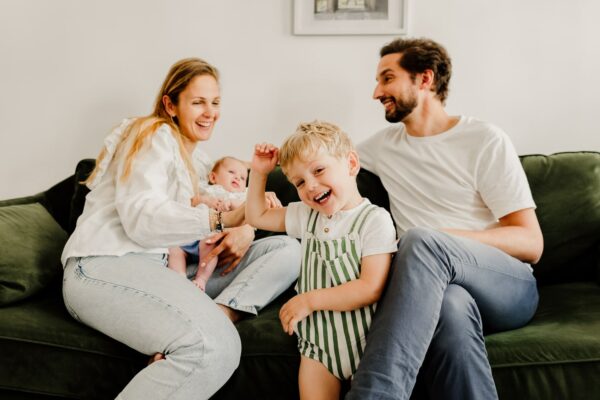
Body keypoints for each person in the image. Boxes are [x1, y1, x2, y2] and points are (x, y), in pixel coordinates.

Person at [60, 58, 301, 400]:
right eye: (198, 102)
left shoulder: (201, 163)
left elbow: (213, 213)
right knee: (214, 347)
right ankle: (197, 330)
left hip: (167, 269)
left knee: (288, 249)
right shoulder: (151, 133)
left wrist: (246, 227)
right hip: (106, 263)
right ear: (170, 105)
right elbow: (142, 219)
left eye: (215, 102)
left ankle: (214, 315)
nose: (210, 112)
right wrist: (223, 220)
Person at [345, 38, 544, 400]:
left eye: (387, 78)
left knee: (420, 240)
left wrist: (442, 239)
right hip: (439, 292)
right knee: (450, 309)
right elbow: (316, 162)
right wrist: (245, 184)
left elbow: (531, 244)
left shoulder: (483, 139)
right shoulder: (382, 146)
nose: (377, 92)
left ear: (424, 79)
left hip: (508, 287)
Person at [246, 121, 398, 400]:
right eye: (300, 182)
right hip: (318, 348)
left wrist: (308, 300)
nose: (311, 186)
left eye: (318, 170)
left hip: (365, 343)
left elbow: (370, 287)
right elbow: (257, 217)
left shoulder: (374, 220)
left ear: (351, 163)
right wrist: (258, 173)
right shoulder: (306, 215)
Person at [168, 156, 282, 291]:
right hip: (193, 232)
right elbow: (192, 201)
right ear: (213, 178)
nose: (238, 178)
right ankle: (178, 276)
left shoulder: (242, 195)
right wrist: (206, 201)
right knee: (175, 248)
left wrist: (232, 203)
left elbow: (246, 210)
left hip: (213, 238)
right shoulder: (206, 189)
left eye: (243, 178)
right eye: (232, 172)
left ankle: (201, 279)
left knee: (209, 246)